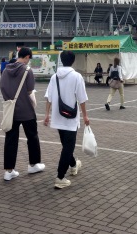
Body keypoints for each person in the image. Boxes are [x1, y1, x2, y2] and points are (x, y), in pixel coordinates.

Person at [43, 51, 90, 189]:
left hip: (58, 117)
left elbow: (48, 98)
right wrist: (86, 116)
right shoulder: (76, 76)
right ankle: (60, 177)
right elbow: (82, 98)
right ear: (73, 61)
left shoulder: (54, 77)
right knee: (68, 147)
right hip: (71, 118)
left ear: (61, 60)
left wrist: (47, 115)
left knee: (66, 146)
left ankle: (74, 165)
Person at [0, 47, 44, 181]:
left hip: (11, 111)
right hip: (26, 111)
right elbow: (30, 91)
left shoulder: (6, 69)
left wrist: (9, 99)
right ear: (27, 57)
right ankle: (33, 164)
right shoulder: (27, 70)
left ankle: (9, 171)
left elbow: (1, 86)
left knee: (10, 140)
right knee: (32, 137)